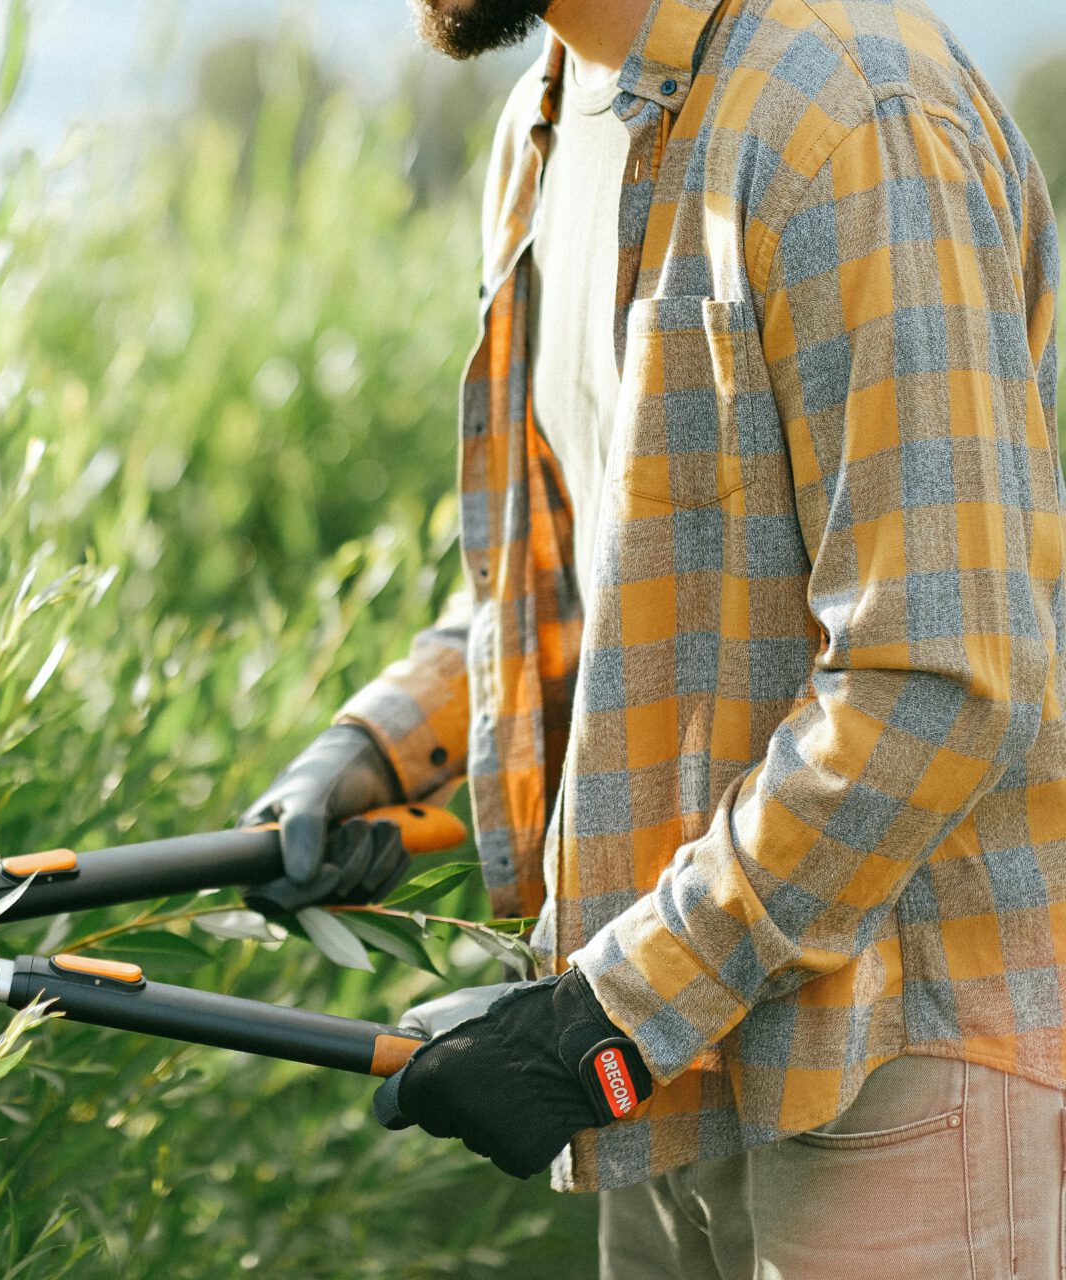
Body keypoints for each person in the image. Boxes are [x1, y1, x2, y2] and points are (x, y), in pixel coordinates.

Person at [240, 0, 1065, 1272]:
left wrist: (609, 1015)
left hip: (898, 1066)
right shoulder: (547, 121)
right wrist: (383, 745)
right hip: (680, 1066)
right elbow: (595, 579)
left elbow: (937, 674)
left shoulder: (848, 112)